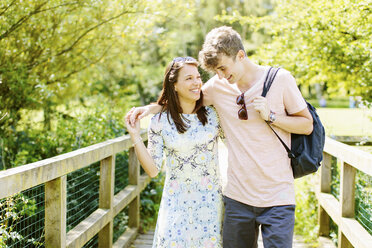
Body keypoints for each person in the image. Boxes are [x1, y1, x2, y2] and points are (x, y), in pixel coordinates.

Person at [128, 26, 313, 248]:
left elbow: (307, 125)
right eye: (216, 71)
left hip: (278, 196)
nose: (222, 76)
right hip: (237, 197)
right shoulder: (218, 86)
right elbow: (186, 98)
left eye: (223, 68)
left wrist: (271, 116)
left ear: (241, 55)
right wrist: (152, 109)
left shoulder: (280, 79)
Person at [125, 56, 224, 248]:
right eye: (188, 78)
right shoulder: (160, 121)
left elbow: (237, 144)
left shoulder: (213, 115)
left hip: (210, 206)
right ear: (174, 85)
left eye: (198, 77)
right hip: (176, 207)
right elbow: (153, 171)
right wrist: (135, 136)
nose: (196, 82)